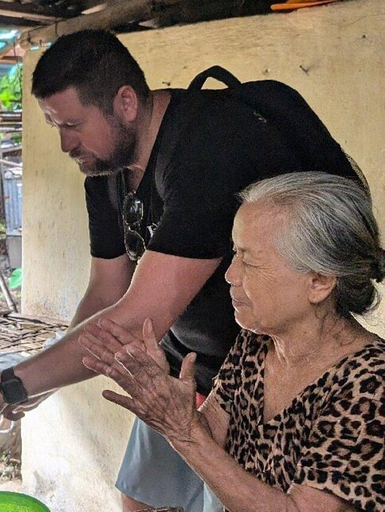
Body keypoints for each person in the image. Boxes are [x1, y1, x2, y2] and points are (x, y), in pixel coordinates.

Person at [0, 30, 361, 511]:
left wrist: (8, 384)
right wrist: (43, 381)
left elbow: (139, 317)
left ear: (126, 103)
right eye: (54, 125)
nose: (64, 144)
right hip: (180, 366)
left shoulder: (208, 148)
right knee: (138, 499)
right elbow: (106, 293)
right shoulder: (104, 165)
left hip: (255, 371)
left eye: (72, 123)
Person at [82, 172, 385, 512]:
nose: (231, 274)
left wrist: (184, 432)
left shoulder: (370, 383)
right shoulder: (257, 343)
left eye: (250, 261)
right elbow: (211, 435)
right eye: (235, 254)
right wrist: (166, 403)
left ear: (319, 281)